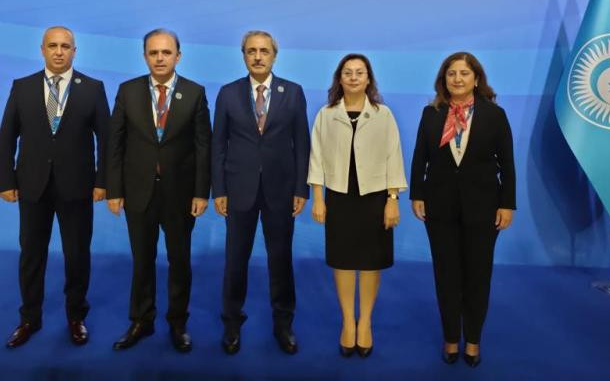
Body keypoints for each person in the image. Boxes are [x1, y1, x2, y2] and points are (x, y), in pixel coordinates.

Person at [0, 26, 109, 348]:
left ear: (75, 51)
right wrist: (5, 180)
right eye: (53, 46)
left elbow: (107, 139)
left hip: (78, 187)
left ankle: (76, 316)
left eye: (65, 46)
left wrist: (103, 182)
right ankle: (29, 318)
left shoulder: (92, 88)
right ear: (42, 50)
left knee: (77, 255)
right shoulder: (23, 87)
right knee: (31, 255)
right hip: (32, 186)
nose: (59, 51)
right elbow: (7, 136)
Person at [106, 28, 211, 353]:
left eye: (166, 52)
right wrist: (114, 190)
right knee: (142, 260)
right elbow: (115, 144)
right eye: (154, 53)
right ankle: (142, 320)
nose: (160, 58)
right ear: (145, 57)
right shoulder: (128, 91)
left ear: (178, 56)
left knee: (179, 261)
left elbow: (203, 146)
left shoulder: (194, 93)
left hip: (181, 195)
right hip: (138, 193)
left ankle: (178, 322)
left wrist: (201, 192)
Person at [410, 52, 515, 368]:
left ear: (476, 78)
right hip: (439, 206)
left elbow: (507, 164)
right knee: (446, 275)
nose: (457, 79)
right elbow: (420, 157)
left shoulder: (495, 115)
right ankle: (451, 337)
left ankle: (473, 339)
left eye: (464, 73)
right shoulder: (431, 113)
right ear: (443, 79)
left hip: (483, 208)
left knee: (478, 275)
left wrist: (507, 203)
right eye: (451, 73)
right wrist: (417, 194)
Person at [211, 30, 310, 355]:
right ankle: (231, 323)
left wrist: (301, 188)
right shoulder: (228, 93)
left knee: (280, 260)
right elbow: (218, 145)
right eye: (251, 51)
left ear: (274, 56)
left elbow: (302, 144)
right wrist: (219, 189)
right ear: (243, 55)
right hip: (238, 190)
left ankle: (283, 324)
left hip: (281, 191)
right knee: (235, 261)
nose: (257, 56)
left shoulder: (292, 92)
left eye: (264, 51)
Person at [308, 54, 407, 358]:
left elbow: (394, 156)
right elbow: (316, 158)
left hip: (375, 197)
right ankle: (347, 322)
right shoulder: (327, 114)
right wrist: (318, 198)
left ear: (368, 79)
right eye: (347, 72)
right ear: (339, 78)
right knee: (343, 260)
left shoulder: (382, 114)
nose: (353, 77)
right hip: (339, 197)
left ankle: (365, 322)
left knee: (371, 261)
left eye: (359, 72)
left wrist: (392, 200)